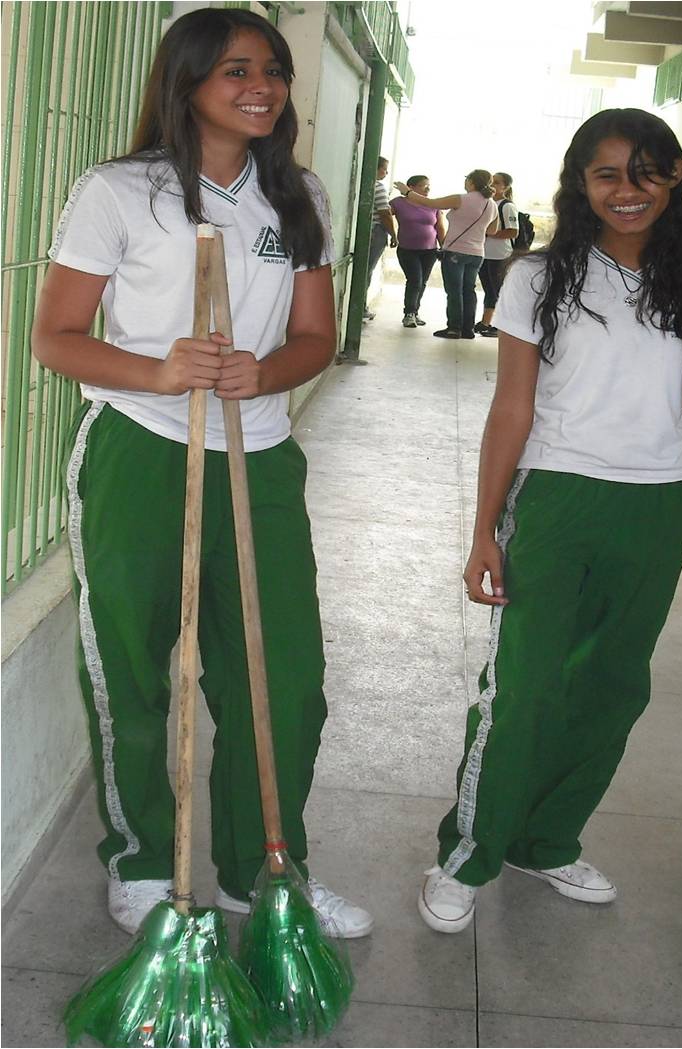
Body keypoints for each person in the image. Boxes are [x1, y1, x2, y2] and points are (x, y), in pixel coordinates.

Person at [31, 8, 373, 940]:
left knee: (284, 676)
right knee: (135, 667)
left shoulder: (299, 194)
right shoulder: (118, 191)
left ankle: (263, 866)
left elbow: (315, 337)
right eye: (236, 70)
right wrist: (158, 368)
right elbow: (54, 337)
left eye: (274, 70)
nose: (263, 85)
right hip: (144, 446)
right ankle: (141, 856)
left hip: (258, 455)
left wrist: (266, 371)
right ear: (186, 84)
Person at [417, 108, 682, 933]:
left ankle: (547, 839)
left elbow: (681, 397)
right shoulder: (537, 276)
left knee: (613, 686)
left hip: (657, 503)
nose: (629, 190)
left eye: (647, 171)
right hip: (556, 496)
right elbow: (511, 408)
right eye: (608, 174)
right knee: (524, 688)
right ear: (580, 183)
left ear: (676, 175)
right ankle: (469, 851)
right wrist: (485, 529)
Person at [395, 170, 498, 340]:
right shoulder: (491, 204)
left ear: (472, 182)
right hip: (477, 253)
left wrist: (407, 192)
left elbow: (429, 203)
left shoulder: (461, 199)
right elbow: (493, 230)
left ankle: (454, 328)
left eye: (467, 179)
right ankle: (468, 329)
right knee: (469, 290)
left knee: (454, 291)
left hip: (456, 251)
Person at [390, 174, 445, 328]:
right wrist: (390, 234)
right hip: (407, 249)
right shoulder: (398, 203)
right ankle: (408, 313)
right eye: (423, 185)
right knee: (414, 280)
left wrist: (444, 246)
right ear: (411, 187)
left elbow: (439, 227)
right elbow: (383, 215)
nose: (428, 188)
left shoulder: (433, 204)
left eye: (429, 185)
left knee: (422, 282)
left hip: (430, 251)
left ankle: (415, 312)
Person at [475, 171, 518, 337]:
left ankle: (499, 325)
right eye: (491, 182)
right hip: (484, 253)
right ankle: (486, 322)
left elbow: (513, 232)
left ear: (505, 187)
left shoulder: (507, 206)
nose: (492, 186)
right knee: (489, 290)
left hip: (499, 255)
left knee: (498, 291)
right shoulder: (487, 203)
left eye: (497, 183)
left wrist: (490, 233)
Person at [364, 155, 397, 320]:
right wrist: (394, 235)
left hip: (364, 231)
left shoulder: (362, 184)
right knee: (367, 270)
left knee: (364, 269)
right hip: (375, 232)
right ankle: (361, 307)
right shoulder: (378, 187)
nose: (386, 172)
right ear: (376, 169)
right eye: (384, 168)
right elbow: (385, 213)